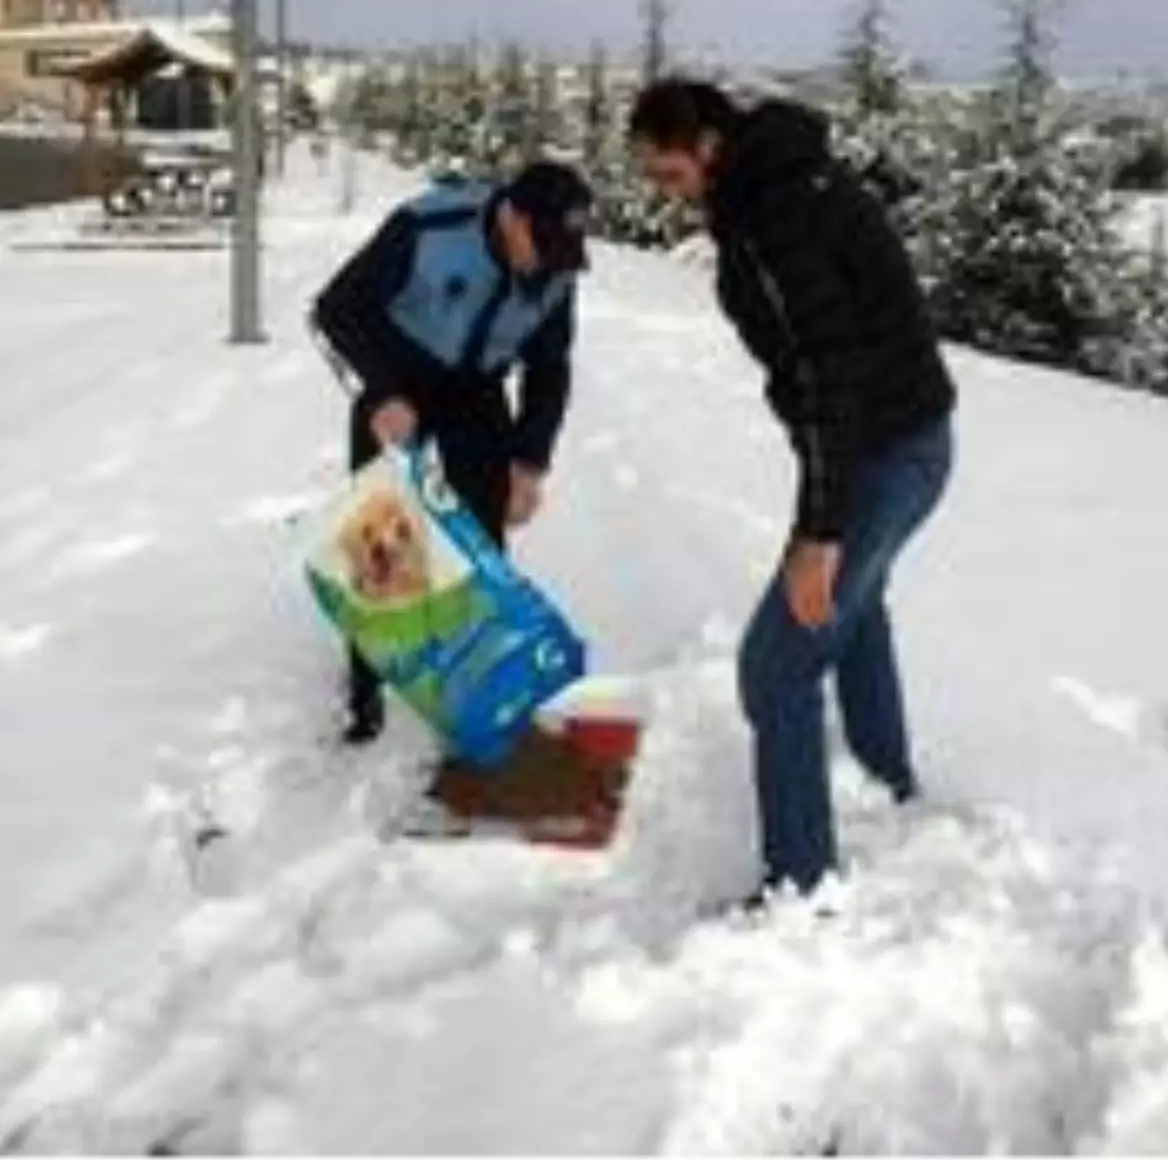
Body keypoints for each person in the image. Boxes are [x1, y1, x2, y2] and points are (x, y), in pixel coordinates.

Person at [628, 76, 955, 900]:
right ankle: (886, 781)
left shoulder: (774, 216)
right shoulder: (777, 185)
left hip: (884, 451)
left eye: (668, 174)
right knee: (857, 603)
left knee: (776, 666)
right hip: (901, 443)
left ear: (707, 144)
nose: (665, 196)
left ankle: (801, 887)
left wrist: (820, 530)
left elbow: (823, 376)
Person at [311, 159, 592, 743]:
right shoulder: (429, 227)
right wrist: (382, 392)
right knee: (380, 535)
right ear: (512, 216)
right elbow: (335, 309)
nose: (545, 263)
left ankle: (477, 677)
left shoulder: (558, 270)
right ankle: (366, 690)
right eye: (539, 243)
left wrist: (530, 462)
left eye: (562, 249)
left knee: (484, 536)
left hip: (475, 389)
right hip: (396, 375)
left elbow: (549, 370)